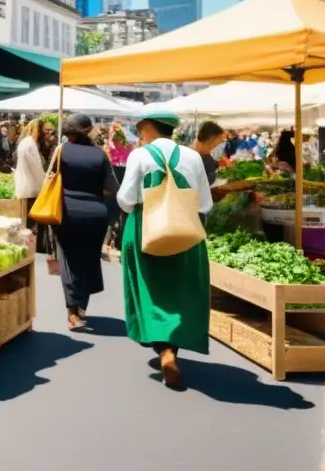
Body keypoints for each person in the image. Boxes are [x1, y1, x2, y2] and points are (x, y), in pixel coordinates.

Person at [118, 108, 213, 390]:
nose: (138, 135)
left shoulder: (139, 156)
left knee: (148, 292)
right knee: (181, 292)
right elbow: (204, 203)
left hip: (144, 229)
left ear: (149, 127)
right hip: (185, 231)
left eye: (139, 129)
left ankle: (164, 350)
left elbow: (126, 199)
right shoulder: (193, 156)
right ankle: (172, 348)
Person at [53, 114, 119, 331]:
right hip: (94, 214)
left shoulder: (61, 151)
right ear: (87, 130)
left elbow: (51, 179)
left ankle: (72, 311)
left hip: (66, 212)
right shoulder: (99, 155)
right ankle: (81, 307)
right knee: (89, 260)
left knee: (68, 259)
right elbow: (111, 188)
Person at [14, 118, 55, 254]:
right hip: (31, 189)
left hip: (24, 187)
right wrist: (45, 181)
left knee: (26, 223)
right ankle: (32, 250)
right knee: (30, 225)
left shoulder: (25, 143)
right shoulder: (30, 145)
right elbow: (36, 169)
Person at [192, 120, 225, 185]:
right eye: (219, 138)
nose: (221, 140)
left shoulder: (205, 154)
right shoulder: (193, 158)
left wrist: (217, 164)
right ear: (210, 138)